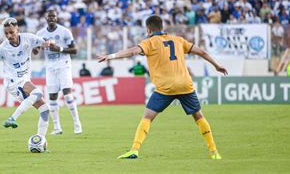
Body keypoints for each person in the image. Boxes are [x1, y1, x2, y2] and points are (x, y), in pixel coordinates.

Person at [97, 15, 228, 160]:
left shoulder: (150, 42)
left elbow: (133, 51)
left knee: (147, 117)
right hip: (185, 85)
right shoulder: (178, 40)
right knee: (198, 116)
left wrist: (112, 56)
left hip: (165, 88)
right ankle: (214, 152)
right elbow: (202, 52)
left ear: (148, 29)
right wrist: (217, 66)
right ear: (162, 27)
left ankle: (134, 150)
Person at [35, 10, 83, 135]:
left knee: (67, 94)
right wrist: (39, 47)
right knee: (52, 97)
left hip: (64, 65)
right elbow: (35, 51)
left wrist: (59, 49)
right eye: (49, 16)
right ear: (45, 18)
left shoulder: (64, 31)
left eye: (53, 16)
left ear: (56, 18)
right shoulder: (40, 33)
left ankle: (77, 124)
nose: (51, 18)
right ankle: (57, 128)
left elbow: (75, 50)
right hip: (50, 68)